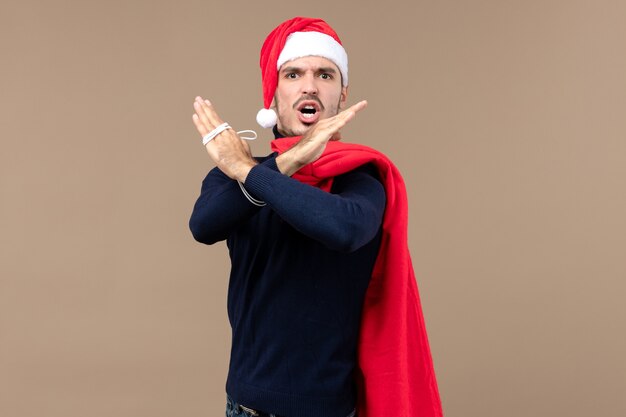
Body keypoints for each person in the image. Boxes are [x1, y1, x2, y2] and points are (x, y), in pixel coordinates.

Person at [189, 17, 443, 417]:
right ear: (273, 94)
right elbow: (204, 225)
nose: (310, 85)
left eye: (324, 74)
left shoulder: (362, 178)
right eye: (294, 73)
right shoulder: (236, 175)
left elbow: (343, 229)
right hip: (247, 407)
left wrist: (248, 171)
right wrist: (282, 164)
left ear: (341, 95)